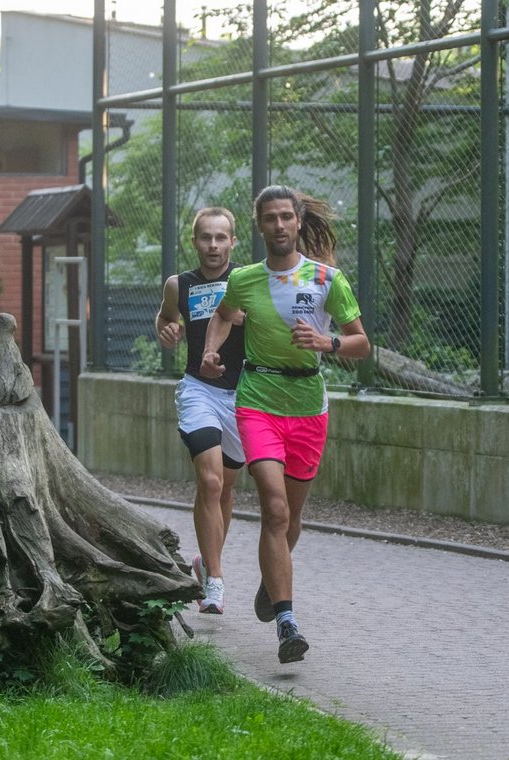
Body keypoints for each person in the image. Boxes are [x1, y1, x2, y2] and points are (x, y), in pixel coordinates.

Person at [200, 185, 370, 664]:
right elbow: (224, 316)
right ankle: (287, 621)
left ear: (298, 222)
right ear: (259, 226)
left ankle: (270, 583)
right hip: (257, 402)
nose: (278, 225)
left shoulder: (326, 278)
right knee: (274, 510)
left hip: (309, 406)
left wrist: (326, 342)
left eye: (285, 217)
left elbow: (361, 343)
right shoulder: (247, 280)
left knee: (291, 520)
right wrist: (212, 350)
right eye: (269, 218)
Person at [155, 207, 247, 614]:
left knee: (225, 489)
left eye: (220, 238)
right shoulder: (180, 284)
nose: (213, 245)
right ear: (194, 242)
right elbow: (164, 319)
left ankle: (203, 562)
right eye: (205, 238)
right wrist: (167, 331)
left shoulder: (248, 282)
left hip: (244, 396)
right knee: (209, 484)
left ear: (233, 242)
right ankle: (215, 580)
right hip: (198, 391)